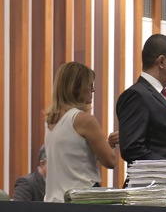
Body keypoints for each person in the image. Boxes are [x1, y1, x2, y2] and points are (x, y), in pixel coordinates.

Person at [44, 62, 118, 203]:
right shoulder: (84, 120)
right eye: (90, 85)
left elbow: (77, 160)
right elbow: (110, 161)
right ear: (77, 88)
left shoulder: (50, 122)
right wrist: (110, 147)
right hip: (82, 200)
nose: (93, 90)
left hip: (55, 202)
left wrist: (108, 144)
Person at [116, 34, 166, 164]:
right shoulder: (136, 96)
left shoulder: (161, 95)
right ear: (161, 62)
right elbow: (132, 149)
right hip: (156, 177)